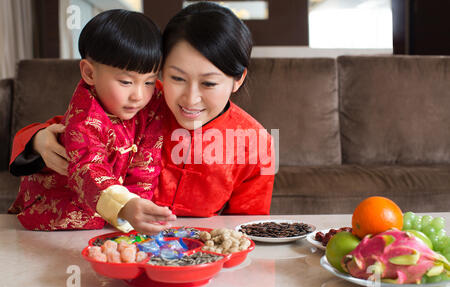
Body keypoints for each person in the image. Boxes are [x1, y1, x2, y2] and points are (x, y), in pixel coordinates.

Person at [9, 2, 275, 221]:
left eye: (208, 83)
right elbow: (80, 127)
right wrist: (37, 139)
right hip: (115, 241)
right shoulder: (143, 102)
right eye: (177, 78)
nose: (190, 99)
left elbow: (247, 225)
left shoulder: (256, 143)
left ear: (237, 79)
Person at [9, 9, 176, 233]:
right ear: (89, 73)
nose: (138, 95)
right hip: (63, 210)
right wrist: (125, 206)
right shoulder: (85, 115)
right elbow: (89, 166)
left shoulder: (152, 101)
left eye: (148, 81)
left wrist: (138, 209)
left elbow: (147, 161)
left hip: (116, 209)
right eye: (126, 82)